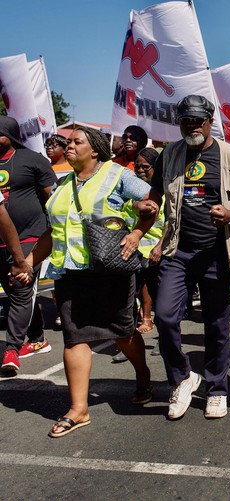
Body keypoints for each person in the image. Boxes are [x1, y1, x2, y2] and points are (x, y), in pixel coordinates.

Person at [23, 126, 155, 437]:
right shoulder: (61, 185)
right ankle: (78, 409)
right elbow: (51, 232)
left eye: (75, 142)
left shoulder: (118, 175)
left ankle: (143, 374)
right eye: (66, 142)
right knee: (74, 337)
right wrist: (29, 262)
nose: (67, 146)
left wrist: (138, 227)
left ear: (94, 149)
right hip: (70, 272)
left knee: (122, 333)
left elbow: (152, 200)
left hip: (111, 269)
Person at [150, 95, 230, 421]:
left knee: (216, 324)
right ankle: (183, 377)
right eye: (185, 120)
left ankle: (217, 389)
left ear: (210, 120)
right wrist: (147, 208)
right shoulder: (169, 154)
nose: (191, 126)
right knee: (165, 317)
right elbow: (156, 193)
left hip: (218, 251)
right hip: (178, 250)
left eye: (197, 121)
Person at [0, 116, 57, 373]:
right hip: (2, 241)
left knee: (21, 284)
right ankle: (37, 339)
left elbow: (52, 199)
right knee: (13, 290)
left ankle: (11, 349)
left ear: (9, 136)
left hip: (32, 235)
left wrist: (55, 231)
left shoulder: (32, 159)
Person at [124, 148, 164, 338]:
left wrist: (160, 246)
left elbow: (172, 222)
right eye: (137, 166)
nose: (140, 170)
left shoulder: (164, 192)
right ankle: (131, 339)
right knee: (130, 296)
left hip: (158, 253)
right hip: (135, 252)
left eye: (145, 167)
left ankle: (163, 339)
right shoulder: (131, 192)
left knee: (163, 301)